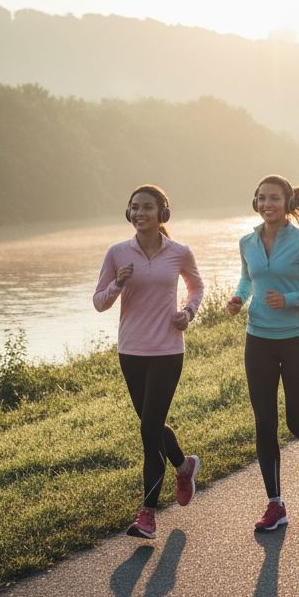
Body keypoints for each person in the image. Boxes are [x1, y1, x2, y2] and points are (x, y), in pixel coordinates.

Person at [93, 184, 204, 540]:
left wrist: (188, 312)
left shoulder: (179, 252)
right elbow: (99, 302)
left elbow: (197, 286)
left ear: (162, 213)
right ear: (129, 214)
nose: (139, 213)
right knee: (151, 424)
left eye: (146, 207)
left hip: (168, 352)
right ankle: (184, 467)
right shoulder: (116, 253)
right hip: (131, 352)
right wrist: (117, 285)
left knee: (148, 431)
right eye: (134, 208)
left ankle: (148, 514)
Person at [227, 175, 299, 532]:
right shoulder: (247, 241)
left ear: (287, 203)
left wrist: (290, 300)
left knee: (295, 420)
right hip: (258, 340)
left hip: (298, 338)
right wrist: (240, 298)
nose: (267, 204)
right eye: (261, 198)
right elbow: (247, 278)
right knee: (264, 422)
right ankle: (275, 503)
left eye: (273, 198)